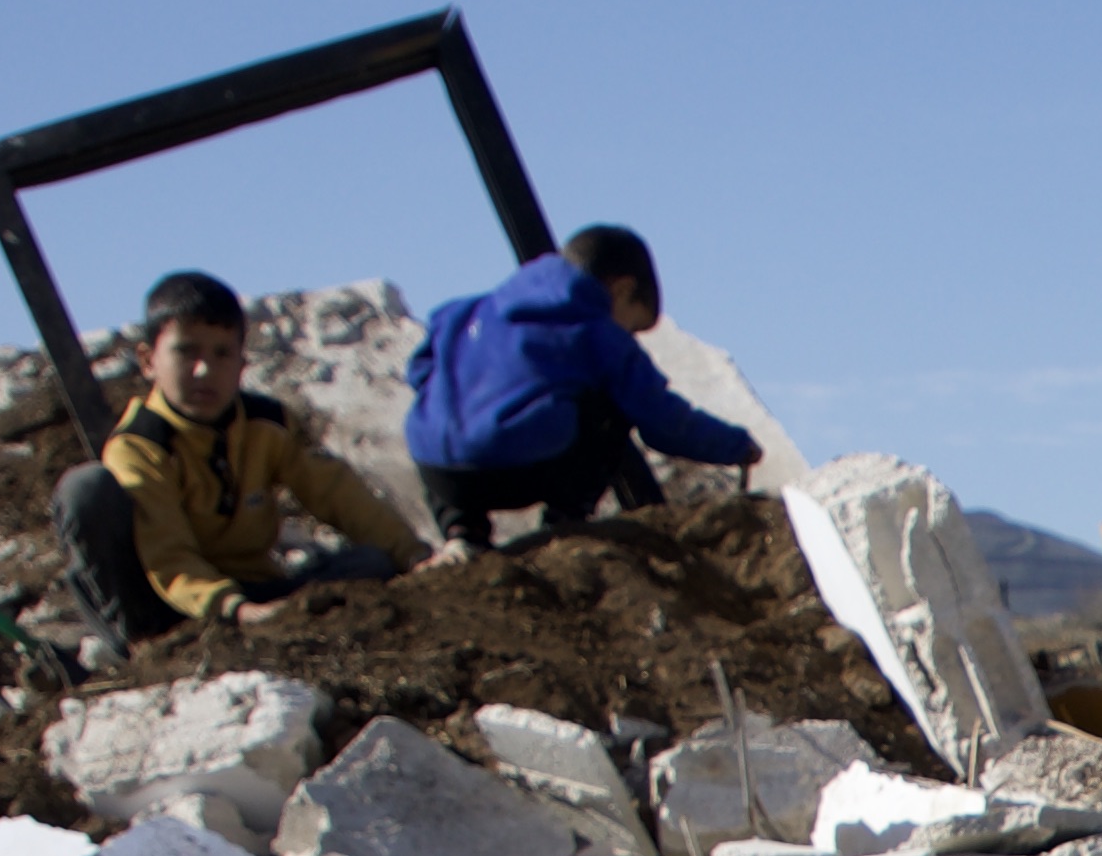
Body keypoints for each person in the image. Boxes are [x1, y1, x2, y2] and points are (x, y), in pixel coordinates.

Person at [50, 272, 418, 660]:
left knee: (371, 563)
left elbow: (335, 492)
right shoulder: (141, 445)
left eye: (221, 353)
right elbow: (168, 555)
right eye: (186, 352)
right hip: (169, 605)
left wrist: (411, 552)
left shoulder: (266, 423)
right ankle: (143, 649)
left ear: (242, 362)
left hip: (252, 589)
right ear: (148, 360)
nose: (204, 370)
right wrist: (234, 609)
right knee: (86, 489)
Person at [405, 222, 762, 545]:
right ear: (622, 290)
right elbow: (663, 422)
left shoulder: (461, 313)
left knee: (435, 411)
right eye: (633, 326)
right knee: (612, 405)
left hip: (443, 475)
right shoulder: (598, 333)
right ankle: (563, 524)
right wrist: (737, 446)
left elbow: (420, 373)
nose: (630, 337)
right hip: (522, 466)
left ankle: (463, 534)